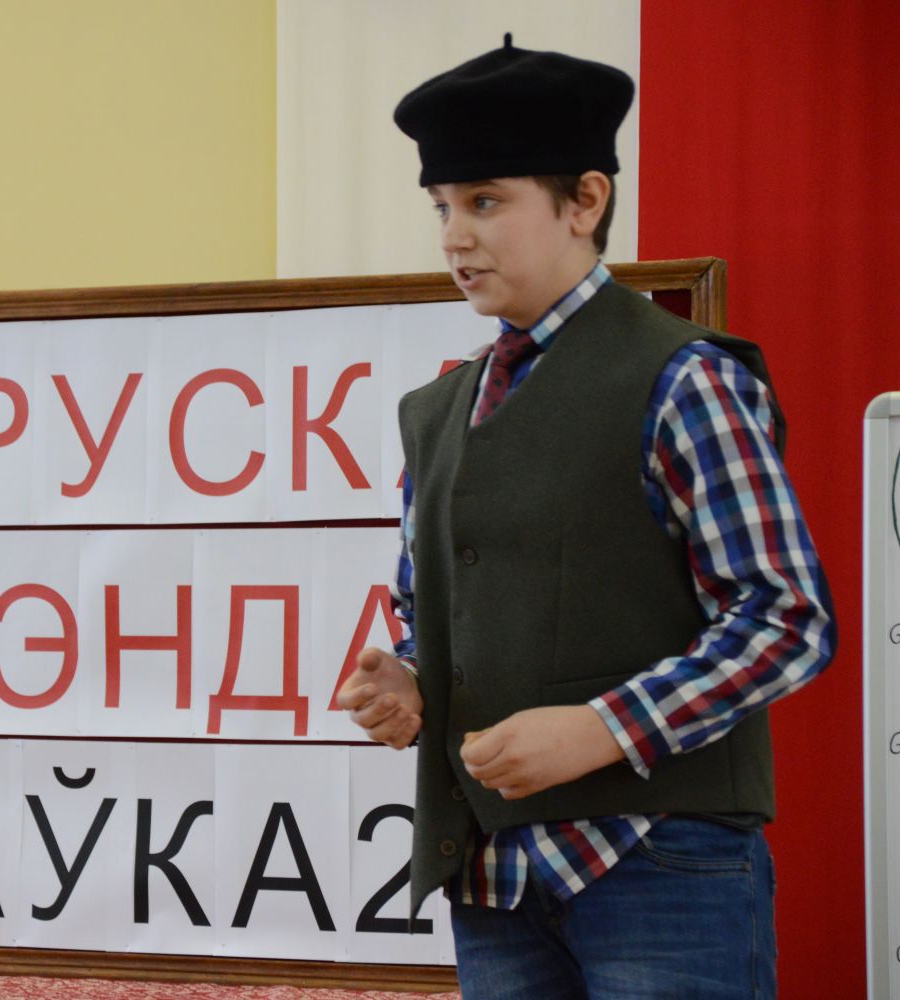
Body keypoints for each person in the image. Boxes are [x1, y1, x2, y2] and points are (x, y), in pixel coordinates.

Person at [336, 34, 835, 999]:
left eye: (486, 201)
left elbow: (787, 619)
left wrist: (607, 729)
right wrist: (413, 681)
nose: (454, 236)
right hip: (492, 879)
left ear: (586, 200)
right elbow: (434, 613)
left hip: (661, 868)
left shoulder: (685, 378)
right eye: (442, 207)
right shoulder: (435, 413)